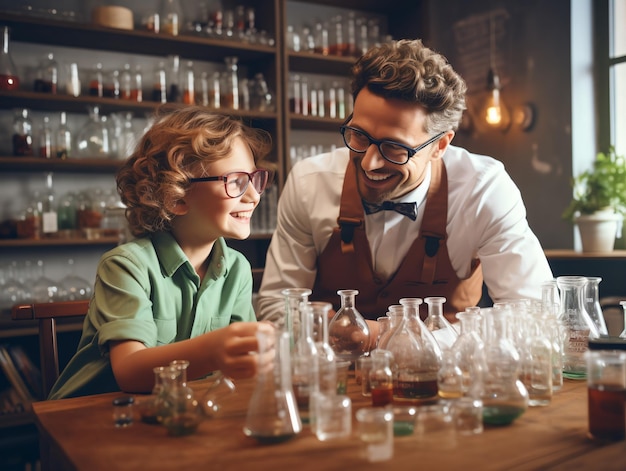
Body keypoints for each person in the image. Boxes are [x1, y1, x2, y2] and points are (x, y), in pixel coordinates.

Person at [256, 39, 553, 344]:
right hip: (332, 378)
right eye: (359, 135)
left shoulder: (483, 190)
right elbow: (277, 304)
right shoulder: (310, 181)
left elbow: (534, 313)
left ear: (440, 145)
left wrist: (391, 337)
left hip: (446, 382)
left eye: (395, 148)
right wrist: (328, 330)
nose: (370, 162)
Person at [49, 107, 275, 400]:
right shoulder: (125, 266)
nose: (254, 195)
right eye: (235, 181)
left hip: (170, 412)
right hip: (90, 419)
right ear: (175, 196)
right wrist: (214, 350)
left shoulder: (237, 268)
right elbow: (130, 370)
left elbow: (238, 366)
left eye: (254, 178)